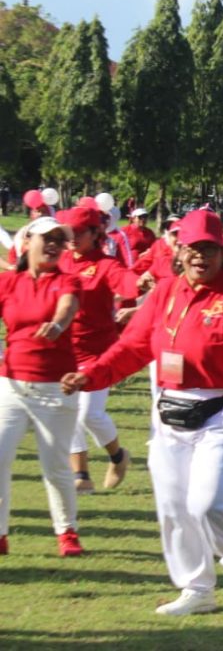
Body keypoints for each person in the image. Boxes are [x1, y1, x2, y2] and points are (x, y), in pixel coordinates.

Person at [61, 209, 223, 614]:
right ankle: (197, 589)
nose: (201, 256)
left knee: (210, 503)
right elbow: (132, 347)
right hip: (170, 414)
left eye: (210, 249)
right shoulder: (164, 293)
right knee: (173, 507)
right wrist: (90, 375)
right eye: (193, 248)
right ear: (179, 250)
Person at [0, 216, 83, 557]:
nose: (53, 244)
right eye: (45, 238)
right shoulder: (9, 283)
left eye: (58, 240)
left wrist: (58, 324)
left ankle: (67, 533)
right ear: (27, 241)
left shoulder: (68, 281)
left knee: (56, 466)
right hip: (11, 385)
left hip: (55, 387)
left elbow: (68, 307)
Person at [57, 207, 140, 494]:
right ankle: (80, 475)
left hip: (99, 353)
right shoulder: (61, 260)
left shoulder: (106, 264)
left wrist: (139, 284)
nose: (71, 238)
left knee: (88, 414)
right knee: (69, 412)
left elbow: (126, 282)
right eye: (67, 233)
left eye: (79, 233)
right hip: (64, 351)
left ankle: (118, 456)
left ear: (95, 233)